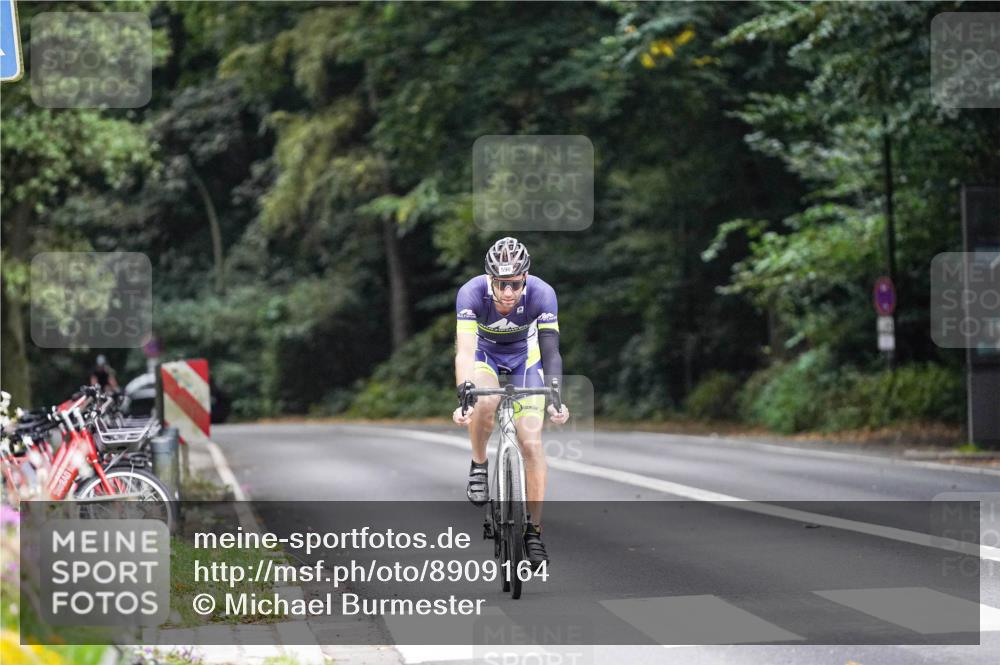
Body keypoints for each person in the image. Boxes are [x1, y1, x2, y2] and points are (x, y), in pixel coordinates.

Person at [453, 237, 570, 569]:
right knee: (485, 401)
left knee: (531, 443)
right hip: (484, 356)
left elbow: (550, 351)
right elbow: (464, 351)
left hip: (526, 361)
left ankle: (533, 530)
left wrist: (555, 396)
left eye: (515, 284)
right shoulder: (470, 293)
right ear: (489, 278)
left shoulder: (543, 294)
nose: (507, 291)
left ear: (526, 277)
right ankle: (479, 465)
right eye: (501, 283)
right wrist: (464, 395)